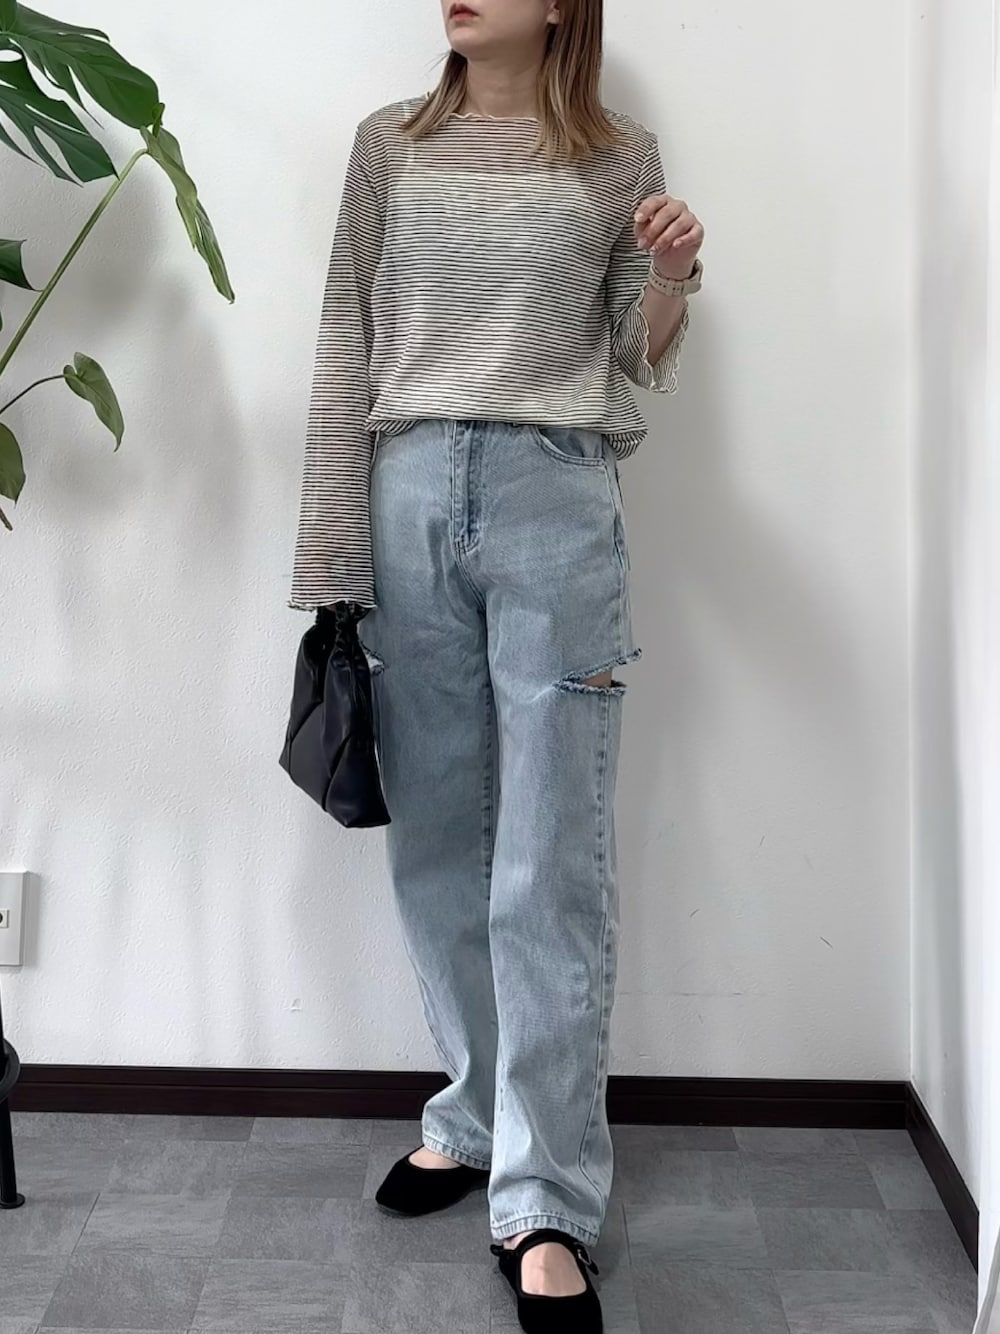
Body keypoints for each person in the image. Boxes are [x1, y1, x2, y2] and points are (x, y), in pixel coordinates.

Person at [288, 1, 704, 1328]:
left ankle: (548, 1198)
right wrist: (332, 553)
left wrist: (674, 275)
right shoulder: (390, 145)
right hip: (406, 491)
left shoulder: (619, 155)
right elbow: (346, 338)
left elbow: (634, 352)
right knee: (438, 844)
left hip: (553, 499)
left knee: (547, 859)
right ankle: (470, 1118)